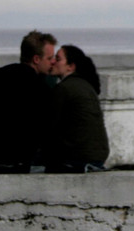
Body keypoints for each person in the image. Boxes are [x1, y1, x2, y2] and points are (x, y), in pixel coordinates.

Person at [0, 30, 57, 171]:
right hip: (19, 158)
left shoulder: (0, 78)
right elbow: (44, 128)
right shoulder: (39, 88)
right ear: (36, 59)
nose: (53, 62)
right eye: (49, 58)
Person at [42, 44, 109, 173]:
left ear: (70, 67)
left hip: (77, 159)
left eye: (58, 58)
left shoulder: (64, 88)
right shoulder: (86, 86)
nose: (53, 62)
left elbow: (49, 126)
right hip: (97, 157)